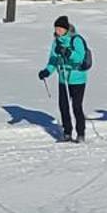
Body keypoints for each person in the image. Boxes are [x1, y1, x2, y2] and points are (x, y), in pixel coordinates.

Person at [38, 14, 91, 143]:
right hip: (63, 79)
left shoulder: (76, 40)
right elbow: (54, 60)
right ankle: (67, 132)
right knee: (63, 106)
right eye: (56, 29)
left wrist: (68, 53)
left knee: (76, 106)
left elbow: (79, 57)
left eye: (60, 29)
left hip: (77, 78)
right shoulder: (56, 42)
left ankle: (81, 133)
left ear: (66, 29)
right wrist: (47, 71)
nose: (58, 31)